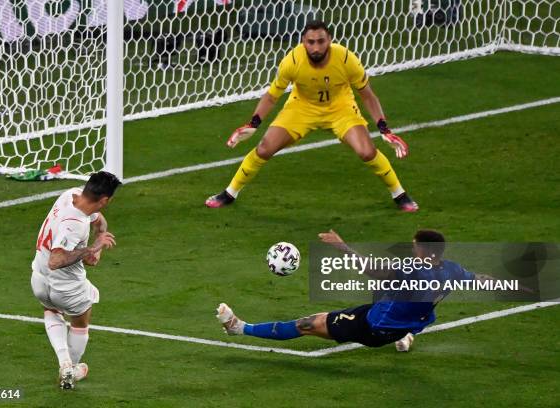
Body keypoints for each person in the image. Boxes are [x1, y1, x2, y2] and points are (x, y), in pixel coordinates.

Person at [206, 20, 418, 212]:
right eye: (310, 42)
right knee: (264, 148)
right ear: (303, 42)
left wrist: (384, 129)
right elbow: (271, 96)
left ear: (330, 40)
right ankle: (230, 193)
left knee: (366, 151)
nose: (316, 47)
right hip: (302, 107)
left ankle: (399, 194)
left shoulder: (346, 59)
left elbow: (368, 96)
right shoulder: (292, 61)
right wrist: (253, 123)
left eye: (320, 41)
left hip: (340, 107)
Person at [216, 229, 494, 351]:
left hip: (370, 327)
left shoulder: (413, 269)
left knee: (306, 324)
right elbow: (479, 278)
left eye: (414, 246)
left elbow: (372, 269)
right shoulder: (452, 270)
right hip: (395, 324)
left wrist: (342, 247)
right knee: (392, 289)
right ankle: (406, 334)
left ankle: (239, 328)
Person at [30, 171, 121, 389]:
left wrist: (98, 240)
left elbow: (99, 220)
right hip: (66, 286)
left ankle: (66, 366)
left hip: (39, 279)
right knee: (81, 321)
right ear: (105, 200)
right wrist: (91, 248)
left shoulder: (70, 194)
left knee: (51, 310)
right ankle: (69, 368)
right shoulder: (77, 224)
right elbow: (56, 259)